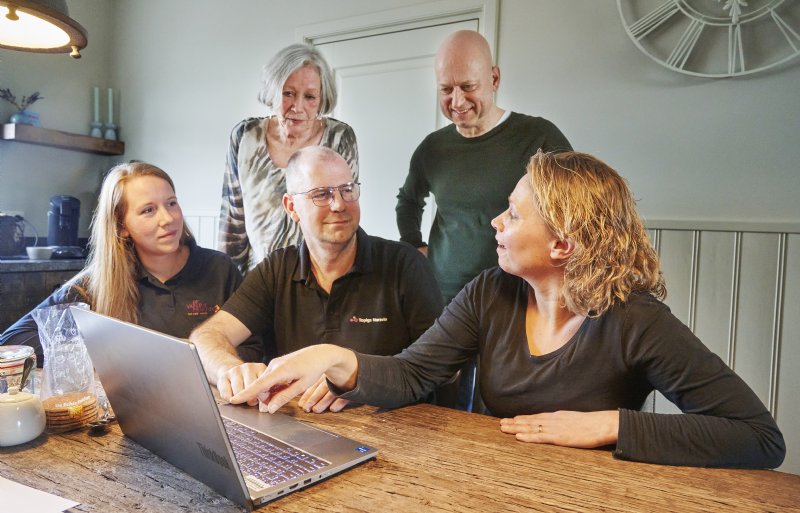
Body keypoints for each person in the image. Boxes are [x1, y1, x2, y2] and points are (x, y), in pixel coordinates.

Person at [223, 150, 786, 469]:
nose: (496, 223)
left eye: (513, 216)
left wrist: (607, 425)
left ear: (562, 244)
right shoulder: (491, 292)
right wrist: (332, 358)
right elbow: (415, 373)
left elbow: (759, 438)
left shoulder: (634, 321)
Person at [191, 146, 443, 413]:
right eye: (321, 194)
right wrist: (229, 369)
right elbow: (206, 336)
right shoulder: (277, 270)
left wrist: (355, 379)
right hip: (297, 428)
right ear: (292, 207)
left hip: (396, 428)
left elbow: (439, 368)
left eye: (347, 190)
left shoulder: (404, 264)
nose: (339, 204)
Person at [395, 30, 572, 410]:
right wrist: (415, 246)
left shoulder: (538, 136)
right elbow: (408, 201)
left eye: (467, 87)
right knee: (441, 405)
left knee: (499, 403)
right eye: (445, 90)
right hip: (442, 298)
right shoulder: (433, 148)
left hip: (514, 298)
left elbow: (572, 209)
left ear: (494, 78)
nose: (456, 102)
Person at [1, 162, 262, 365]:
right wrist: (108, 355)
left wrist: (203, 356)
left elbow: (256, 347)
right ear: (122, 226)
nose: (168, 218)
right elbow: (12, 342)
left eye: (171, 203)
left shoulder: (219, 269)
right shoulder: (97, 283)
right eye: (148, 210)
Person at [219, 43, 359, 274]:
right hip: (260, 279)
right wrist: (228, 289)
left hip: (320, 277)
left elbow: (345, 216)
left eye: (310, 96)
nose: (298, 107)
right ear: (273, 91)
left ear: (322, 98)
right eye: (288, 93)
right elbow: (232, 224)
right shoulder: (246, 137)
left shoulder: (340, 138)